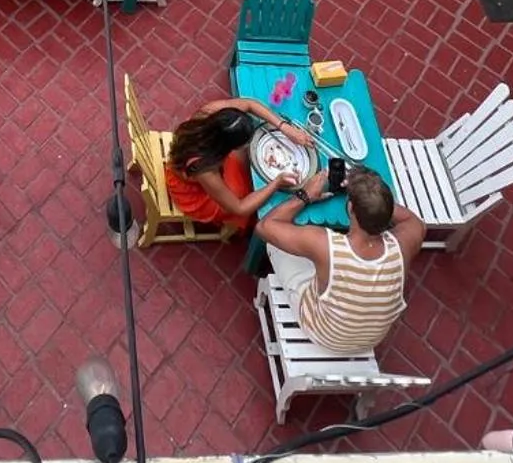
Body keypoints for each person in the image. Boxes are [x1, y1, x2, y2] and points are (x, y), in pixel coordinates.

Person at [258, 165, 422, 354]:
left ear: (351, 208)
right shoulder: (405, 244)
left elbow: (265, 227)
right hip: (368, 341)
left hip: (323, 335)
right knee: (322, 263)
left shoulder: (326, 246)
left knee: (276, 244)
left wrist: (305, 195)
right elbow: (415, 221)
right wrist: (374, 202)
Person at [164, 96, 314, 230]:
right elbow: (239, 208)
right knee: (244, 193)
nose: (248, 144)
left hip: (191, 154)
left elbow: (249, 104)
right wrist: (276, 183)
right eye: (245, 143)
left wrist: (284, 127)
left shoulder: (213, 114)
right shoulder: (206, 170)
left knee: (244, 174)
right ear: (228, 147)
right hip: (192, 192)